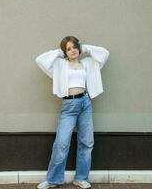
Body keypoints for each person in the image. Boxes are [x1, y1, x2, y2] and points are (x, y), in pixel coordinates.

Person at [35, 36, 109, 189]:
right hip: (68, 106)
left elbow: (104, 53)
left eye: (75, 47)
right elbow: (40, 60)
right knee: (61, 143)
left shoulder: (87, 63)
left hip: (85, 103)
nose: (73, 50)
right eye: (68, 48)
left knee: (86, 142)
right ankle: (53, 179)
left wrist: (85, 48)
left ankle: (81, 178)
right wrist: (59, 52)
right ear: (65, 52)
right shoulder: (60, 65)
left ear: (79, 48)